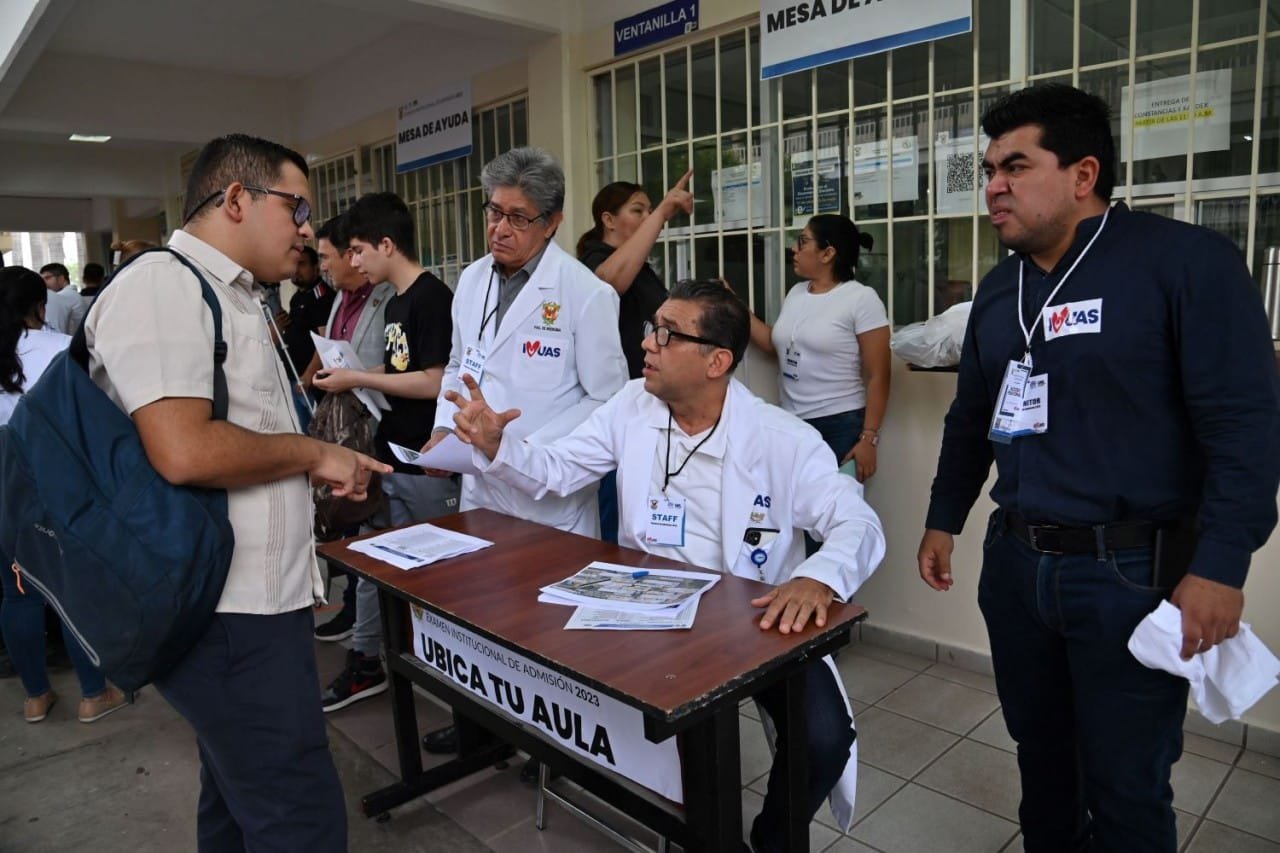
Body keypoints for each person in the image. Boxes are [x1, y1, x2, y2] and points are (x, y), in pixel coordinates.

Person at [917, 84, 1280, 851]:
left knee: (1125, 784)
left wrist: (1221, 564)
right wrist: (943, 518)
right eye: (988, 169)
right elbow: (970, 418)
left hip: (1129, 574)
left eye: (1015, 165)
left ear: (1084, 175)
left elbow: (1245, 430)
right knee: (1042, 764)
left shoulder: (1184, 265)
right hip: (1016, 566)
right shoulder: (998, 288)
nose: (993, 186)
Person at [447, 279, 885, 853]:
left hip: (754, 619)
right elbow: (558, 470)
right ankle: (692, 826)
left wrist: (815, 577)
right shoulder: (632, 406)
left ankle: (769, 840)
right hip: (646, 610)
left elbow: (857, 523)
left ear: (717, 361)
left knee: (824, 739)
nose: (647, 344)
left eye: (666, 334)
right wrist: (498, 447)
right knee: (666, 737)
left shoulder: (784, 440)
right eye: (651, 329)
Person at [86, 133, 391, 851]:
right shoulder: (165, 285)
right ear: (234, 199)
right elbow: (185, 448)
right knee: (297, 812)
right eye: (298, 207)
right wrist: (317, 453)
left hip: (256, 600)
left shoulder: (238, 297)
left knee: (234, 794)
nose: (310, 230)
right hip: (226, 608)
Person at [419, 146, 628, 759]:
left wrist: (527, 448)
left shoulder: (586, 294)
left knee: (546, 631)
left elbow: (608, 398)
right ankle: (480, 732)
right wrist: (442, 429)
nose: (499, 229)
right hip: (481, 479)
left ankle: (554, 749)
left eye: (518, 217)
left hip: (547, 493)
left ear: (553, 222)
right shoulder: (474, 280)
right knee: (479, 613)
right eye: (493, 212)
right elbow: (461, 364)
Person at [313, 191, 458, 712]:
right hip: (390, 454)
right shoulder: (395, 301)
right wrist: (355, 373)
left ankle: (453, 682)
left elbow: (437, 381)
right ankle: (369, 659)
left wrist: (356, 375)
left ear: (387, 244)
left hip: (426, 459)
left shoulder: (431, 298)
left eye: (357, 250)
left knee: (437, 577)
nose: (353, 262)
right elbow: (400, 372)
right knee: (376, 565)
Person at [0, 266, 129, 724]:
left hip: (3, 492)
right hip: (55, 483)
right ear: (41, 304)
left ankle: (36, 696)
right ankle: (94, 693)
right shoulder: (60, 350)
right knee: (68, 590)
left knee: (17, 594)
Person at [576, 173, 693, 542]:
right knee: (616, 501)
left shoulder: (643, 267)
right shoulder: (595, 258)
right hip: (617, 400)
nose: (647, 217)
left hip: (651, 395)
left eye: (649, 210)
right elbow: (608, 282)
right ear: (608, 220)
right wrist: (663, 210)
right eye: (637, 210)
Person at [741, 214, 890, 484]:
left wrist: (869, 437)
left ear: (828, 253)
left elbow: (879, 374)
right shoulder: (797, 292)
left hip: (839, 423)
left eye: (803, 241)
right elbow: (776, 346)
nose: (794, 249)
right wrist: (736, 307)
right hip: (791, 422)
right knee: (794, 513)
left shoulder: (861, 299)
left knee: (832, 513)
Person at [306, 212, 396, 643]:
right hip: (347, 425)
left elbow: (407, 368)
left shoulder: (389, 297)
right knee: (350, 527)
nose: (323, 265)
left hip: (381, 428)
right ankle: (355, 615)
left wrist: (354, 378)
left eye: (328, 256)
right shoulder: (340, 298)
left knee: (375, 532)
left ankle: (371, 636)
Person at [39, 262, 87, 335]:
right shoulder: (71, 294)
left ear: (61, 279)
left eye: (47, 278)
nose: (43, 283)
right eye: (42, 279)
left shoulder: (66, 296)